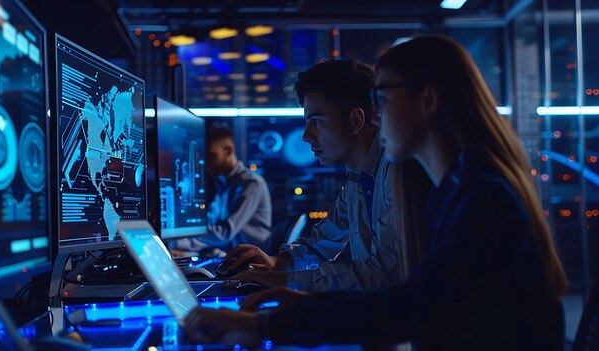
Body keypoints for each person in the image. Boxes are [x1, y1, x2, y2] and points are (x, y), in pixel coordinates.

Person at [183, 35, 567, 350]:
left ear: (428, 101)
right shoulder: (459, 187)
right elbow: (414, 301)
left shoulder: (480, 197)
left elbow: (404, 304)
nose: (376, 116)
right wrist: (290, 298)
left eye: (382, 100)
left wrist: (271, 322)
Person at [221, 59, 425, 292]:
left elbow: (383, 275)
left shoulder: (396, 172)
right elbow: (324, 242)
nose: (306, 135)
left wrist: (285, 282)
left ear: (356, 120)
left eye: (316, 121)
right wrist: (279, 263)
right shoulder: (358, 179)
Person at [175, 125, 272, 253]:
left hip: (252, 261)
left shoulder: (252, 183)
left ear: (229, 151)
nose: (207, 161)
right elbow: (212, 223)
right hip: (230, 254)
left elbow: (225, 233)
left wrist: (176, 242)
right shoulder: (223, 182)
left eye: (211, 155)